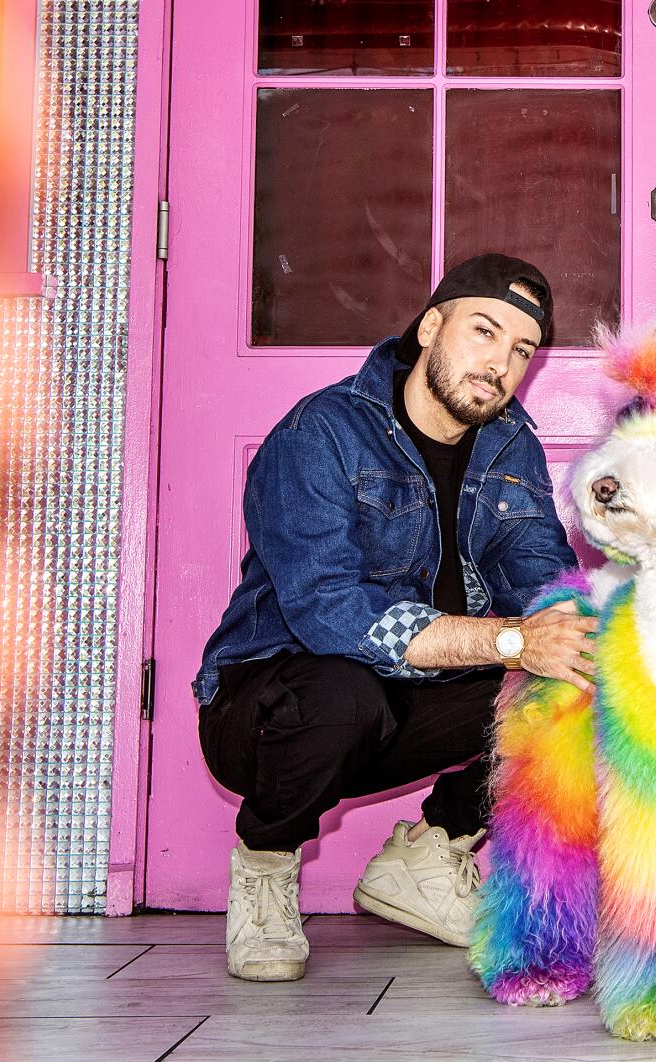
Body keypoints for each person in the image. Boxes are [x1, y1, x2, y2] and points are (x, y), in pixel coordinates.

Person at [192, 254, 593, 981]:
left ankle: (433, 849)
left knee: (577, 678)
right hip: (271, 707)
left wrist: (615, 636)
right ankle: (265, 862)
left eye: (522, 350)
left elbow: (545, 582)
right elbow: (329, 614)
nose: (500, 363)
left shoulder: (511, 448)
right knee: (341, 689)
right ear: (433, 324)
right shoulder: (323, 433)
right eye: (484, 331)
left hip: (411, 700)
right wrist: (511, 640)